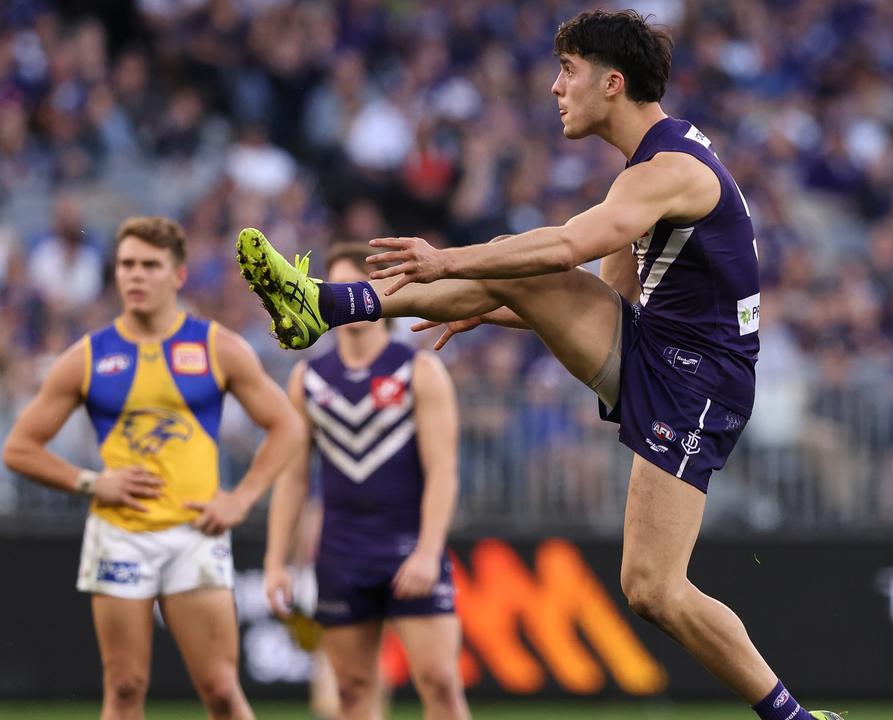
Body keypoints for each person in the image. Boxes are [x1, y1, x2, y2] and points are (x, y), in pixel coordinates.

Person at [235, 10, 840, 720]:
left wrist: (451, 259)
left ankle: (795, 718)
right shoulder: (643, 172)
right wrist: (486, 301)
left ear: (612, 84)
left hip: (697, 381)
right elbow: (599, 297)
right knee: (649, 589)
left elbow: (564, 251)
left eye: (569, 72)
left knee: (654, 588)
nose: (556, 88)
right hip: (661, 354)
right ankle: (328, 305)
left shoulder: (670, 170)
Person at [2, 216, 302, 720]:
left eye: (149, 265)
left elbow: (288, 426)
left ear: (178, 275)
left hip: (195, 532)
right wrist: (91, 482)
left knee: (223, 690)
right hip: (120, 535)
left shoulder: (216, 346)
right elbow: (19, 448)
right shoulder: (89, 356)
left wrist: (241, 498)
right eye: (126, 265)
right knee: (124, 689)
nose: (135, 276)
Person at [262, 243, 470, 720]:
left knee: (440, 683)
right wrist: (276, 560)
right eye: (331, 288)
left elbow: (444, 472)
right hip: (341, 552)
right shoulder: (308, 378)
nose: (343, 297)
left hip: (408, 546)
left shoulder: (419, 370)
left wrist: (428, 550)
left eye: (354, 286)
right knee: (352, 693)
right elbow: (292, 478)